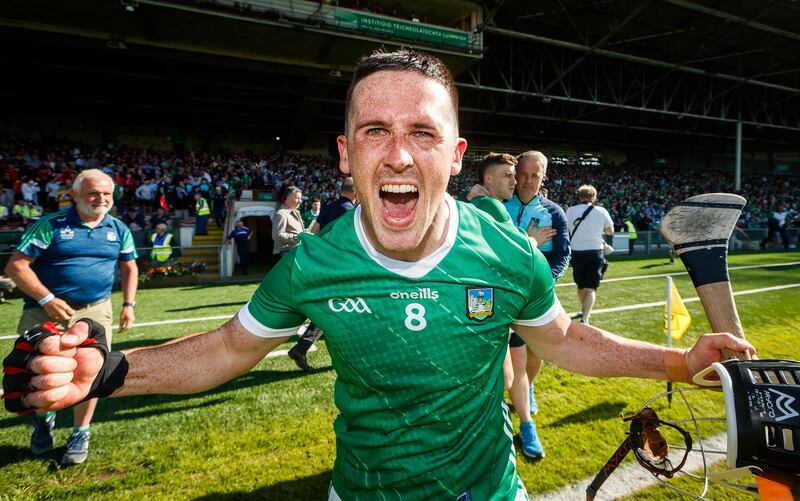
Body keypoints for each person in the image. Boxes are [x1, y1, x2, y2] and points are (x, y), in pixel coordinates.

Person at [8, 50, 754, 499]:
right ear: (345, 153)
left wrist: (678, 360)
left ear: (455, 156)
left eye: (422, 132)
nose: (398, 154)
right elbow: (227, 349)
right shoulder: (315, 262)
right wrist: (110, 372)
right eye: (375, 131)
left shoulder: (507, 252)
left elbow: (561, 339)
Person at [4, 168, 138, 465]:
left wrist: (129, 304)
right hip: (44, 309)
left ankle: (80, 431)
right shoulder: (50, 225)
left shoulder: (118, 229)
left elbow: (129, 266)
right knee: (39, 372)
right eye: (93, 192)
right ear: (75, 195)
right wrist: (47, 299)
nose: (101, 198)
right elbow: (16, 266)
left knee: (92, 372)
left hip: (95, 309)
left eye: (106, 193)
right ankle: (43, 418)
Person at [287, 177, 358, 371]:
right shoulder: (351, 213)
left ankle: (301, 348)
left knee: (332, 311)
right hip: (344, 269)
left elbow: (314, 234)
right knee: (348, 310)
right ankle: (304, 348)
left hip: (326, 266)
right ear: (356, 192)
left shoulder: (327, 208)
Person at [566, 184, 614, 325]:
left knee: (580, 286)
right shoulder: (601, 211)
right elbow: (610, 230)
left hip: (577, 252)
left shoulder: (570, 210)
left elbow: (567, 228)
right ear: (594, 197)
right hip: (595, 251)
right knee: (590, 287)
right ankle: (585, 318)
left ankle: (584, 310)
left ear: (580, 196)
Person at [271, 185, 304, 258]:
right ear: (288, 198)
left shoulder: (296, 213)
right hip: (286, 253)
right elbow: (277, 236)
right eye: (297, 198)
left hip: (295, 252)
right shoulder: (281, 214)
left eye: (300, 198)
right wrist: (298, 237)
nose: (300, 201)